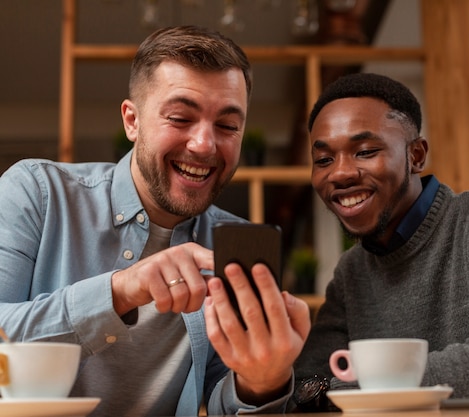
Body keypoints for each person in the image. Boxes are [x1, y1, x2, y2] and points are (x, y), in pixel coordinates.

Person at [0, 26, 310, 416]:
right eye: (181, 118)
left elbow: (222, 404)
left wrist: (260, 383)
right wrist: (122, 290)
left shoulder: (239, 244)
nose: (204, 145)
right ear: (132, 121)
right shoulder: (36, 192)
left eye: (228, 126)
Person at [291, 73, 469, 411]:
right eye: (323, 160)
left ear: (416, 155)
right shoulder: (352, 271)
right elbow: (305, 387)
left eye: (365, 151)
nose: (340, 173)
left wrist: (351, 389)